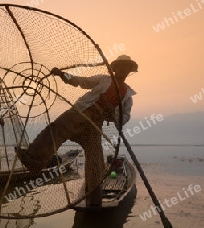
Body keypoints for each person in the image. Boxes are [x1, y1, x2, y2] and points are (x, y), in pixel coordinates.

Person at [16, 55, 138, 206]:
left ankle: (93, 199)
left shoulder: (127, 95)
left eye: (126, 68)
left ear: (129, 71)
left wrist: (113, 115)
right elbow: (81, 81)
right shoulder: (103, 80)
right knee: (55, 130)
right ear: (114, 68)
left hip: (95, 124)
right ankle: (33, 160)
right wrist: (62, 75)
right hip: (80, 113)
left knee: (95, 158)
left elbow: (124, 118)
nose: (123, 70)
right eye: (120, 67)